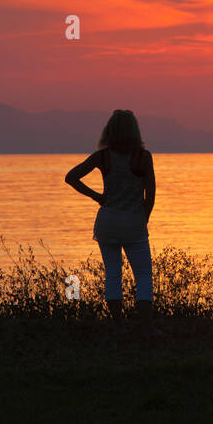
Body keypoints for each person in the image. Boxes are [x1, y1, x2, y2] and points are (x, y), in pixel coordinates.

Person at [65, 110, 157, 327]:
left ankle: (119, 325)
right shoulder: (143, 157)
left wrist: (97, 197)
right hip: (133, 222)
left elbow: (71, 177)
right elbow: (150, 195)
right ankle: (146, 327)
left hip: (107, 222)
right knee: (143, 275)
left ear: (109, 131)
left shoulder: (103, 156)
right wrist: (144, 220)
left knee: (113, 273)